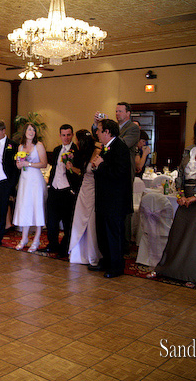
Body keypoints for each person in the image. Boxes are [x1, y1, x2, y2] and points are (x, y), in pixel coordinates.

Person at [151, 116, 196, 287]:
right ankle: (168, 269)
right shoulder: (189, 150)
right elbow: (181, 172)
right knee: (178, 233)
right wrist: (181, 194)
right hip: (186, 195)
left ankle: (195, 275)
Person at [92, 119, 133, 278]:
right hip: (104, 199)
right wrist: (98, 166)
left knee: (113, 233)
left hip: (115, 201)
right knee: (102, 231)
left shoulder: (120, 148)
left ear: (107, 132)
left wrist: (101, 165)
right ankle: (106, 261)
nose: (97, 132)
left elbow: (119, 173)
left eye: (99, 130)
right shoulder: (106, 148)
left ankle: (116, 266)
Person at [39, 124, 81, 258]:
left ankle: (64, 248)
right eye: (63, 135)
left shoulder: (77, 151)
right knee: (52, 221)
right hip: (54, 189)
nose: (66, 138)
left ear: (72, 135)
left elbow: (79, 172)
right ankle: (52, 245)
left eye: (69, 135)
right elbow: (54, 169)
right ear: (60, 136)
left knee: (67, 222)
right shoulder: (57, 150)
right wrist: (50, 184)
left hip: (67, 190)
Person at [68, 130, 102, 266]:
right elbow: (82, 172)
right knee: (80, 219)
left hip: (94, 190)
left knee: (91, 222)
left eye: (77, 140)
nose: (76, 143)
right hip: (84, 190)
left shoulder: (98, 152)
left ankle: (91, 253)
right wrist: (71, 168)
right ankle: (78, 252)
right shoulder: (84, 153)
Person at [12, 123, 48, 252]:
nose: (31, 131)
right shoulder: (20, 146)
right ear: (25, 131)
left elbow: (44, 163)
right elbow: (17, 165)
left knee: (36, 207)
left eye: (33, 130)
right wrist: (20, 164)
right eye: (29, 129)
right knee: (25, 207)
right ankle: (24, 238)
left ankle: (37, 240)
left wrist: (29, 163)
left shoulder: (39, 145)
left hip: (35, 180)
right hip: (24, 180)